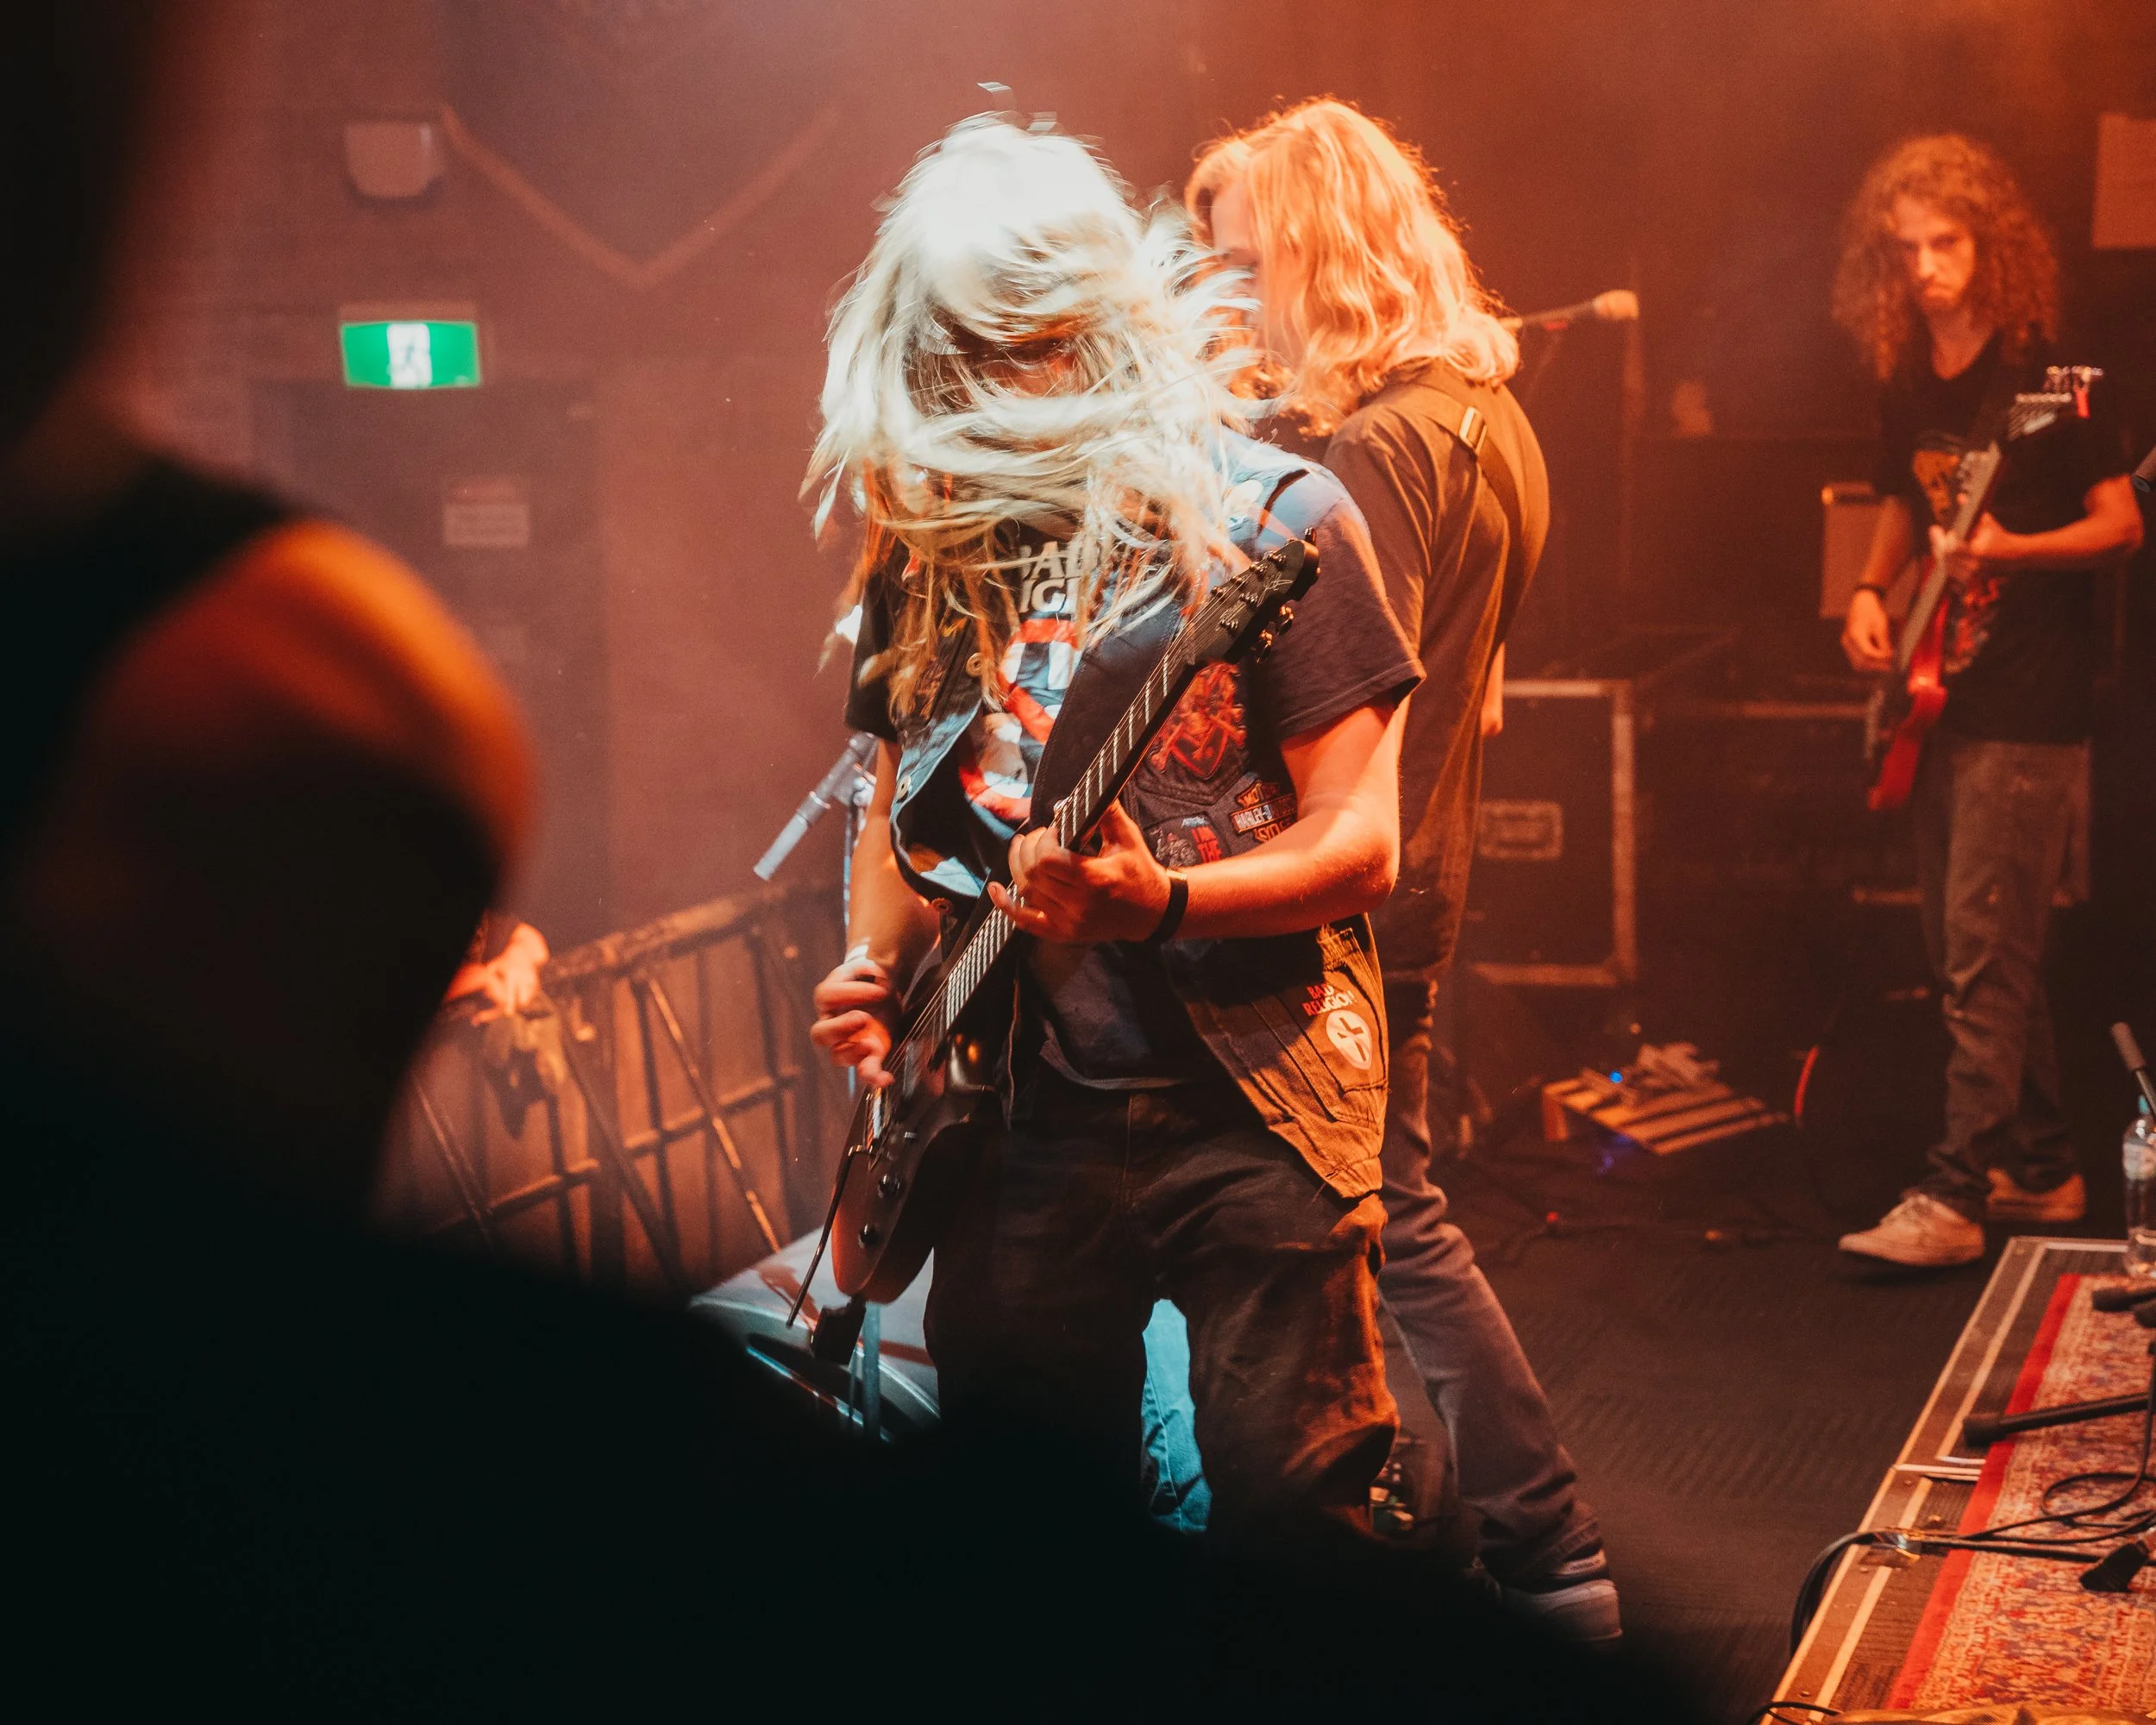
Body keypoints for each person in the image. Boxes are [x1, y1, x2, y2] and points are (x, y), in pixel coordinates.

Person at [806, 116, 1424, 1544]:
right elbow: (898, 803)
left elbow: (1364, 845)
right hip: (1016, 1111)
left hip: (1251, 1097)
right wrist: (877, 975)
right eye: (960, 359)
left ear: (1092, 328)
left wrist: (1164, 906)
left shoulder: (1278, 517)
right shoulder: (933, 551)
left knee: (1300, 1519)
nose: (990, 389)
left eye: (1017, 349)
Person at [1181, 100, 1616, 1640]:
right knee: (1374, 1210)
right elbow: (1477, 688)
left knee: (1388, 1216)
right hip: (1419, 872)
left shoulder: (1371, 448)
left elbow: (1364, 705)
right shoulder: (1489, 415)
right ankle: (1490, 1536)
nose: (1227, 297)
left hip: (1355, 894)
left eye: (1245, 266)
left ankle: (1546, 1547)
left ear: (1317, 251)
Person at [1832, 135, 2141, 1268]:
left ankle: (1957, 1195)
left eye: (1946, 244)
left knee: (1979, 951)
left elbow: (2123, 523)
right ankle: (2044, 1169)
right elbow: (1899, 504)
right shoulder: (1908, 374)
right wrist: (1871, 592)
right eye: (1905, 249)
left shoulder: (2050, 378)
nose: (1924, 268)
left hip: (2031, 703)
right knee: (1981, 947)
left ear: (1990, 245)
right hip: (1941, 695)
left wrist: (2014, 548)